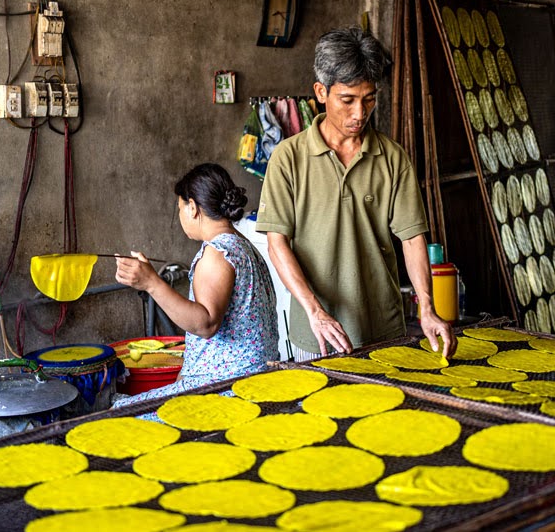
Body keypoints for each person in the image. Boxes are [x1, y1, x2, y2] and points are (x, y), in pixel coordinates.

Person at [255, 26, 456, 361]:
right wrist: (314, 311)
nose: (359, 114)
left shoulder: (392, 157)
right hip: (317, 333)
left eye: (369, 99)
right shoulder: (287, 158)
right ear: (321, 92)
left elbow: (412, 238)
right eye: (347, 100)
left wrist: (427, 306)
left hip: (385, 328)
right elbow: (277, 244)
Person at [112, 163, 278, 406]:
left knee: (120, 413)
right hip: (253, 377)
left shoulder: (217, 252)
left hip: (227, 386)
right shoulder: (243, 246)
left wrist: (151, 283)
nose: (180, 216)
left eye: (180, 208)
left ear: (192, 208)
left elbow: (206, 323)